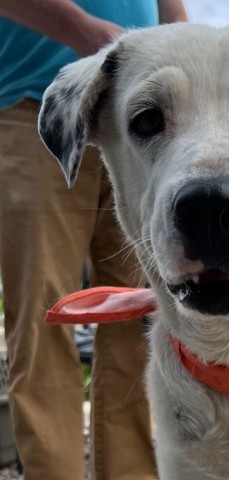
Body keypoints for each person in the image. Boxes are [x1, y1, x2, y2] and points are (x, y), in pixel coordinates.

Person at [0, 1, 188, 479]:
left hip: (143, 122)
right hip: (33, 105)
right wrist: (80, 29)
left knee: (144, 321)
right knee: (44, 322)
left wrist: (188, 58)